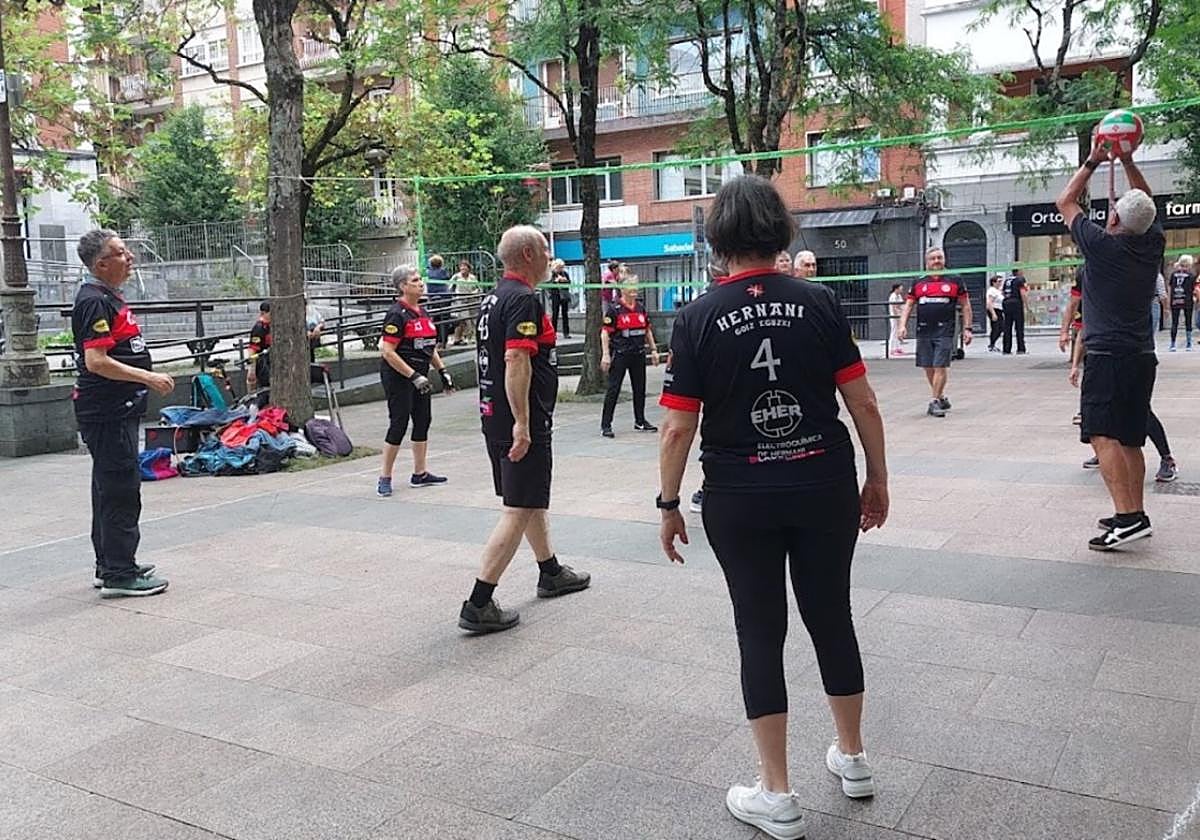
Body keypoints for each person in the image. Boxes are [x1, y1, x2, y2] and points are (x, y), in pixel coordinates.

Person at [657, 176, 889, 840]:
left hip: (739, 496)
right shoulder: (819, 303)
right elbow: (863, 402)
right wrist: (877, 478)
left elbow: (677, 428)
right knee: (831, 617)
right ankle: (853, 759)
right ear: (780, 231)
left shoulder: (697, 317)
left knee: (760, 632)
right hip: (823, 484)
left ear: (719, 238)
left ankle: (778, 794)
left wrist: (668, 503)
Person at [460, 225, 590, 633]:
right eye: (547, 251)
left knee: (528, 496)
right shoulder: (522, 300)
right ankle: (479, 602)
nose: (551, 258)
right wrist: (523, 423)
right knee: (517, 508)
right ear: (530, 255)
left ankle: (550, 571)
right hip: (518, 418)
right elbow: (516, 360)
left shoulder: (494, 297)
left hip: (493, 413)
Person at [1054, 135, 1164, 551]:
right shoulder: (1150, 244)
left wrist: (1094, 160)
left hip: (1108, 358)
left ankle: (1128, 517)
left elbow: (1065, 201)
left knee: (1102, 436)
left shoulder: (1102, 247)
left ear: (1115, 220)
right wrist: (1130, 160)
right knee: (1131, 437)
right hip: (1141, 356)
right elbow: (1145, 204)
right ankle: (1135, 513)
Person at [72, 229, 173, 598]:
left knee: (108, 487)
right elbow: (96, 361)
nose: (129, 257)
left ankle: (110, 564)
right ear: (101, 263)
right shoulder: (94, 301)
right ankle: (120, 574)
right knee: (121, 489)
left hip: (118, 409)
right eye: (120, 253)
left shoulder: (106, 298)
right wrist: (147, 376)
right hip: (107, 411)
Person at [377, 265, 455, 497]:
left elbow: (428, 347)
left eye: (421, 280)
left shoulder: (423, 312)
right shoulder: (396, 314)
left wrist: (442, 371)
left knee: (423, 420)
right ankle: (385, 476)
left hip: (421, 375)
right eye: (415, 280)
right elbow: (388, 351)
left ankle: (419, 473)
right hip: (399, 376)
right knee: (399, 423)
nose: (421, 283)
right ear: (403, 286)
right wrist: (412, 375)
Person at [896, 247, 973, 417]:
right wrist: (902, 325)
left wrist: (968, 328)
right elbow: (908, 305)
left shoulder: (955, 280)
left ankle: (934, 401)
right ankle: (941, 397)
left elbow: (966, 305)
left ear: (944, 259)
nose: (937, 261)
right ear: (927, 262)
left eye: (940, 258)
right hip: (923, 329)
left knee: (940, 365)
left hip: (945, 330)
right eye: (933, 258)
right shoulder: (918, 281)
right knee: (928, 366)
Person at [600, 278, 660, 437]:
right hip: (620, 354)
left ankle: (640, 421)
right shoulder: (615, 309)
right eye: (631, 287)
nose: (635, 290)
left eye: (636, 287)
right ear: (623, 289)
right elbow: (605, 332)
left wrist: (653, 350)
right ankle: (606, 424)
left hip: (638, 354)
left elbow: (647, 330)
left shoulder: (640, 308)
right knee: (614, 389)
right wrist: (606, 354)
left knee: (640, 389)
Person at [1167, 255, 1195, 351]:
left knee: (1174, 322)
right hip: (1187, 300)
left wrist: (1169, 301)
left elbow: (1170, 288)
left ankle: (1173, 344)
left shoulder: (1173, 274)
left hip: (1175, 299)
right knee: (1188, 321)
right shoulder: (1191, 275)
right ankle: (1188, 344)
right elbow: (1193, 289)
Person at [246, 301, 271, 404]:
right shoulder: (259, 328)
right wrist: (251, 369)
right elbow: (252, 349)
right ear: (263, 313)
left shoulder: (271, 326)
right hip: (261, 362)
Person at [449, 259, 478, 346]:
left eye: (465, 266)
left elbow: (478, 288)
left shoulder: (472, 277)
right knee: (464, 320)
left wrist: (475, 293)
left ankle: (473, 337)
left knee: (474, 319)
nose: (463, 268)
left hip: (472, 300)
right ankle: (463, 337)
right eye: (461, 266)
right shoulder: (456, 277)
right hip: (461, 301)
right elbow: (450, 287)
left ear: (468, 268)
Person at [426, 254, 452, 347]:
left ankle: (436, 340)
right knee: (445, 319)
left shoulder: (427, 273)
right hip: (445, 297)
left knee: (435, 319)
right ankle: (443, 341)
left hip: (433, 298)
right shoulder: (443, 272)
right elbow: (448, 277)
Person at [1001, 268, 1029, 354]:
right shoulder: (1020, 280)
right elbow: (1023, 293)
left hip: (1006, 303)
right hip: (1016, 303)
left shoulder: (1007, 280)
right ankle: (1021, 348)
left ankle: (1006, 349)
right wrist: (1026, 305)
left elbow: (1003, 292)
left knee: (1007, 327)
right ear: (1018, 272)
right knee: (1019, 327)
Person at [548, 258, 572, 338]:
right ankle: (553, 332)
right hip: (556, 295)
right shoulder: (551, 274)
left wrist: (565, 281)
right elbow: (549, 284)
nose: (561, 269)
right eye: (559, 267)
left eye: (562, 267)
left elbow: (569, 282)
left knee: (565, 314)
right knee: (555, 314)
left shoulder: (565, 273)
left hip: (564, 296)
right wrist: (556, 281)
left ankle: (566, 332)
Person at [985, 275, 1005, 352]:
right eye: (999, 281)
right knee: (996, 328)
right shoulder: (992, 290)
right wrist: (993, 313)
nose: (1000, 283)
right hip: (994, 309)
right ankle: (991, 345)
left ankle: (992, 344)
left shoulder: (998, 291)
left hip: (999, 310)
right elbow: (989, 302)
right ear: (993, 282)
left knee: (1001, 328)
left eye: (1001, 281)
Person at [889, 282, 908, 356]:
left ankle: (897, 348)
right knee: (893, 332)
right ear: (896, 289)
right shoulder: (893, 296)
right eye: (900, 289)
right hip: (894, 317)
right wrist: (897, 316)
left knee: (898, 333)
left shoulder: (899, 295)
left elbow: (901, 305)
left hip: (899, 316)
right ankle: (891, 349)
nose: (901, 290)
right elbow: (894, 308)